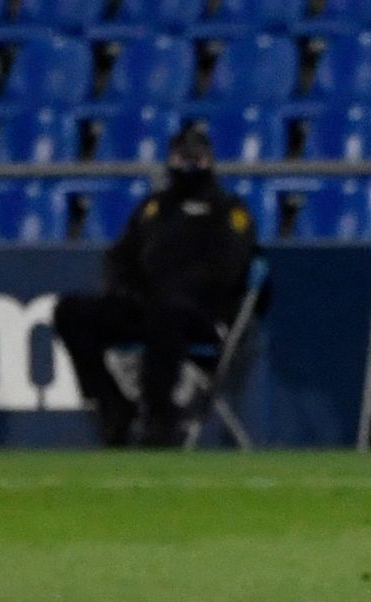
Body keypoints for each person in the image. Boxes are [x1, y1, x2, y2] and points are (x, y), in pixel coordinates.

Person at [55, 127, 257, 448]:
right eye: (181, 157)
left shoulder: (229, 211)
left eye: (196, 158)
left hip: (199, 317)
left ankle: (160, 416)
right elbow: (120, 257)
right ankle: (111, 403)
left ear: (209, 161)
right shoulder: (154, 209)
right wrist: (125, 288)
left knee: (169, 313)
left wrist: (179, 290)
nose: (188, 165)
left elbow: (228, 272)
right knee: (71, 311)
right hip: (148, 308)